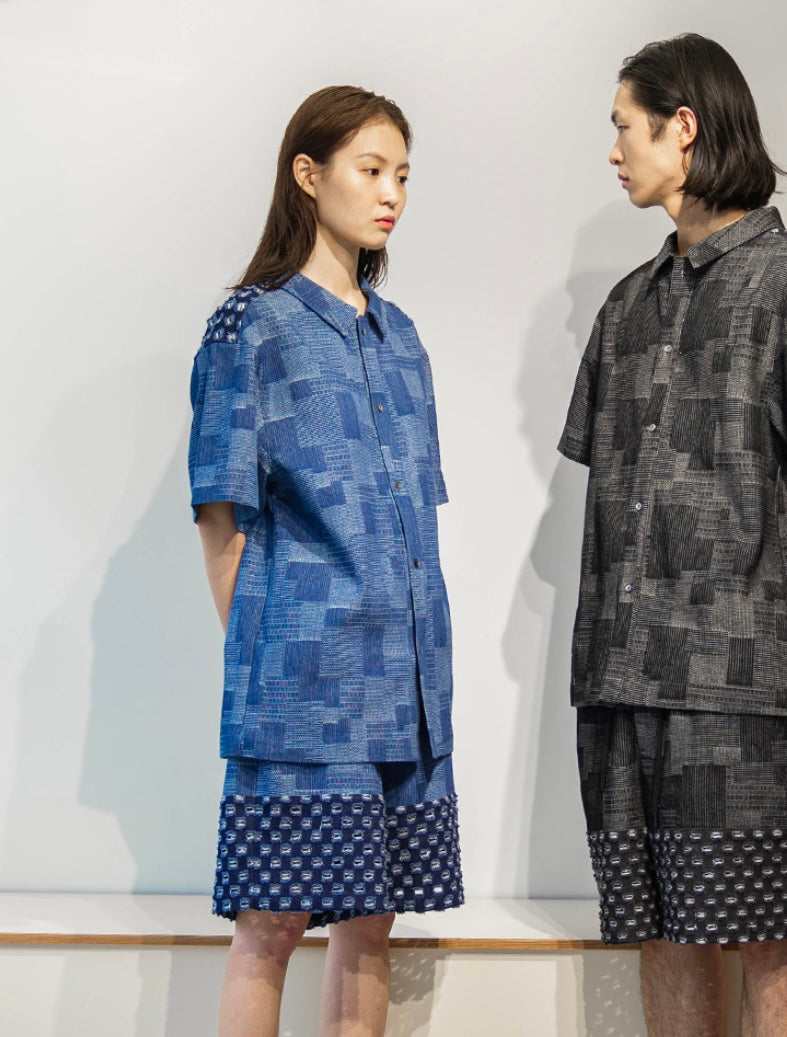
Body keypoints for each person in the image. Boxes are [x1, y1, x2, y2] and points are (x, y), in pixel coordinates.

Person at [558, 35, 787, 1037]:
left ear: (682, 126)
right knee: (663, 932)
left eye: (623, 126)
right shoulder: (624, 306)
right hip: (621, 679)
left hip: (739, 694)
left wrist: (772, 614)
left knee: (770, 935)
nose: (612, 150)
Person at [188, 85, 462, 1037]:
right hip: (302, 686)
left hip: (409, 685)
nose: (391, 194)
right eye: (370, 169)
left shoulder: (402, 338)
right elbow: (219, 517)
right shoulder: (252, 324)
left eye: (402, 176)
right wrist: (268, 662)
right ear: (307, 174)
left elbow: (415, 519)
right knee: (271, 922)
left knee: (371, 923)